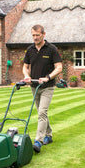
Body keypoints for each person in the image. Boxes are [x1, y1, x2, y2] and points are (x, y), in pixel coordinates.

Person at [22, 24, 63, 153]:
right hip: (34, 86)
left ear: (43, 34)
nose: (35, 38)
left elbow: (59, 67)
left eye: (37, 35)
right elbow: (25, 66)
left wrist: (48, 77)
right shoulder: (30, 50)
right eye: (33, 35)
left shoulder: (51, 49)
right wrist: (26, 76)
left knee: (42, 112)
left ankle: (38, 141)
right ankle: (48, 135)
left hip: (47, 87)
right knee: (41, 111)